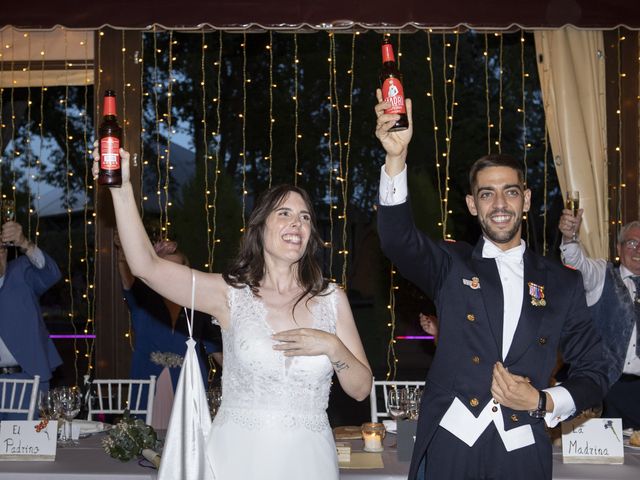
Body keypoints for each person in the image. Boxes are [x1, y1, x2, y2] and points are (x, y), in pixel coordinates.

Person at [92, 147, 372, 480]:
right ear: (260, 227)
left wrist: (332, 346)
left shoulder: (331, 299)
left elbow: (360, 389)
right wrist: (121, 190)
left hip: (310, 460)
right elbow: (145, 267)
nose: (296, 222)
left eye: (305, 216)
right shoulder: (229, 294)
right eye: (284, 213)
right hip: (239, 457)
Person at [374, 90, 608, 479]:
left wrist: (543, 400)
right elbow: (398, 239)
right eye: (487, 194)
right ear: (471, 205)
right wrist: (395, 157)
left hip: (523, 449)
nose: (500, 203)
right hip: (451, 439)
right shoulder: (450, 263)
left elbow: (594, 373)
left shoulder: (564, 284)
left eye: (510, 191)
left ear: (527, 200)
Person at [113, 232, 222, 429]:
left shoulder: (199, 306)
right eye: (167, 268)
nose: (173, 275)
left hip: (188, 388)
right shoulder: (143, 302)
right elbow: (126, 269)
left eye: (178, 268)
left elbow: (216, 350)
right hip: (148, 385)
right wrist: (125, 248)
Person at [559, 212, 640, 428]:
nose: (638, 249)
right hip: (603, 389)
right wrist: (570, 238)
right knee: (601, 460)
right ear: (619, 247)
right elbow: (577, 264)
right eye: (632, 242)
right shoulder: (602, 274)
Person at [0, 219, 62, 419]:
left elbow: (50, 273)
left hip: (27, 378)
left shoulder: (20, 271)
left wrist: (25, 243)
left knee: (25, 448)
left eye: (1, 250)